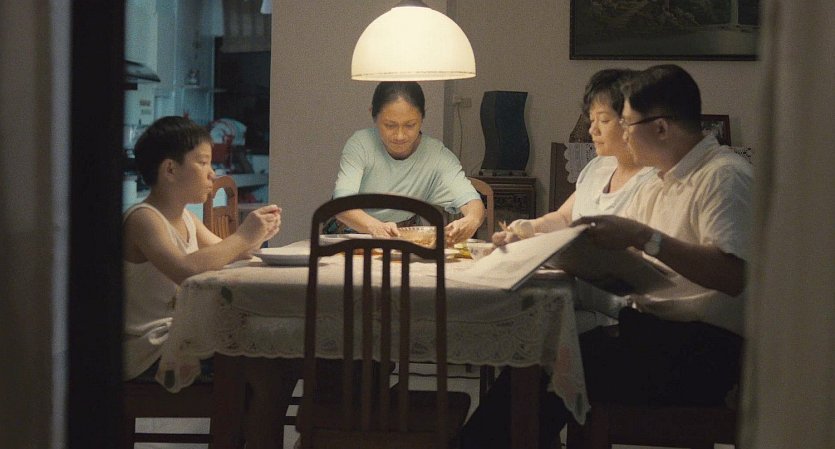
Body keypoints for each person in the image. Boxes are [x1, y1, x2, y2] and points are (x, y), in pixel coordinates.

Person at [461, 64, 752, 449]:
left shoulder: (723, 176)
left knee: (552, 366)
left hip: (702, 352)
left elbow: (733, 275)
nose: (623, 135)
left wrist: (642, 237)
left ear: (661, 128)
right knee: (539, 354)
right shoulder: (662, 180)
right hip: (649, 333)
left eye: (627, 124)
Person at [492, 68, 656, 331]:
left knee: (532, 325)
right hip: (579, 295)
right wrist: (527, 229)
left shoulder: (655, 180)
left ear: (631, 121)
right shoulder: (599, 168)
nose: (592, 130)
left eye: (603, 120)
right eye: (591, 119)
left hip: (624, 313)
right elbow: (564, 217)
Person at [122, 116, 281, 381]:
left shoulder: (186, 218)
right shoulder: (143, 219)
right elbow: (185, 270)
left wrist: (258, 234)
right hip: (150, 345)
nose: (212, 173)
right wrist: (243, 236)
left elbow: (228, 254)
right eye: (203, 162)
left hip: (179, 333)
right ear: (170, 170)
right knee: (258, 362)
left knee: (268, 357)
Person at [330, 81, 484, 244]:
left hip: (405, 236)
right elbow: (341, 205)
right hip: (351, 234)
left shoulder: (436, 154)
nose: (400, 136)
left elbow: (471, 200)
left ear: (422, 117)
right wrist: (376, 227)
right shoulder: (361, 144)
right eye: (390, 125)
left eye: (410, 125)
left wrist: (472, 220)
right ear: (373, 115)